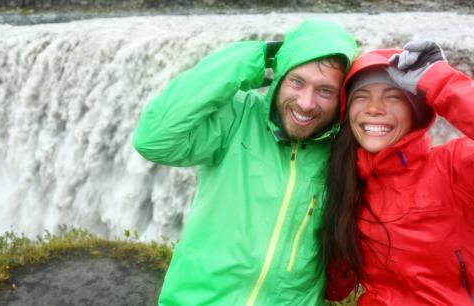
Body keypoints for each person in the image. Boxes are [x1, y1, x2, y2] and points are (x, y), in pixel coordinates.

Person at [133, 19, 358, 305]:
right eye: (296, 82)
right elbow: (153, 140)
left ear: (342, 96)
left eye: (325, 91)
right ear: (278, 77)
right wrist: (252, 58)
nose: (306, 103)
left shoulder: (346, 150)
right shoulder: (237, 118)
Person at [323, 40, 474, 305]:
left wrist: (440, 82)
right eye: (361, 97)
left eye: (392, 97)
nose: (373, 109)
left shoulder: (454, 167)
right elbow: (335, 287)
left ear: (415, 113)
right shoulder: (345, 185)